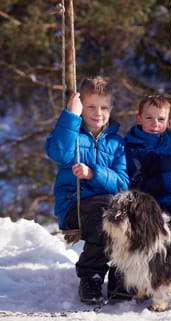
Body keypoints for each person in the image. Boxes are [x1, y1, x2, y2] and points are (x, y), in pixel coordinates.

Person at [46, 76, 130, 304]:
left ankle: (122, 277)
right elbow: (59, 153)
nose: (98, 113)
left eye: (104, 107)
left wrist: (94, 173)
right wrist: (70, 116)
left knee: (131, 220)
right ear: (81, 106)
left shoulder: (117, 143)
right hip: (76, 204)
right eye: (91, 106)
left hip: (109, 205)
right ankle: (91, 276)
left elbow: (123, 182)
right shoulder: (72, 133)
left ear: (111, 108)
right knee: (104, 216)